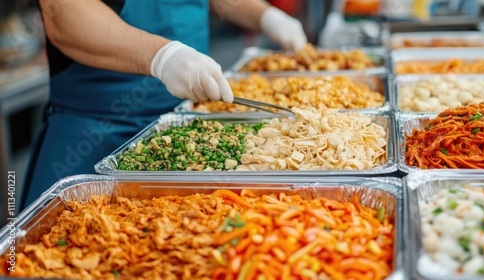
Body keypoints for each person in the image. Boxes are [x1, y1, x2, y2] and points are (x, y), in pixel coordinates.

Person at [20, 0, 307, 209]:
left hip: (196, 132)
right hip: (93, 134)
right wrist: (161, 56)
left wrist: (266, 16)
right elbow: (62, 14)